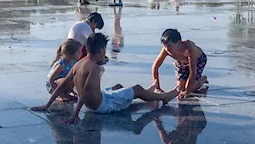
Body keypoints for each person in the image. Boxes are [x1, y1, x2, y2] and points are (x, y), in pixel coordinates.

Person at [33, 33, 178, 124]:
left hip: (97, 101)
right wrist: (75, 115)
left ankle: (149, 93)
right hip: (103, 106)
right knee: (137, 90)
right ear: (101, 50)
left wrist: (47, 105)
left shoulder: (79, 64)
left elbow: (60, 86)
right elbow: (86, 92)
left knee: (118, 88)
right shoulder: (94, 68)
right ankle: (163, 97)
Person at [152, 28, 208, 97]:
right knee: (181, 87)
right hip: (181, 62)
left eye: (169, 46)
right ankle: (193, 81)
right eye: (164, 46)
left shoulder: (189, 47)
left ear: (178, 43)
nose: (167, 49)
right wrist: (157, 87)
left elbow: (193, 72)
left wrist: (187, 92)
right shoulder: (166, 50)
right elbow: (155, 67)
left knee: (190, 87)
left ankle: (203, 79)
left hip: (198, 60)